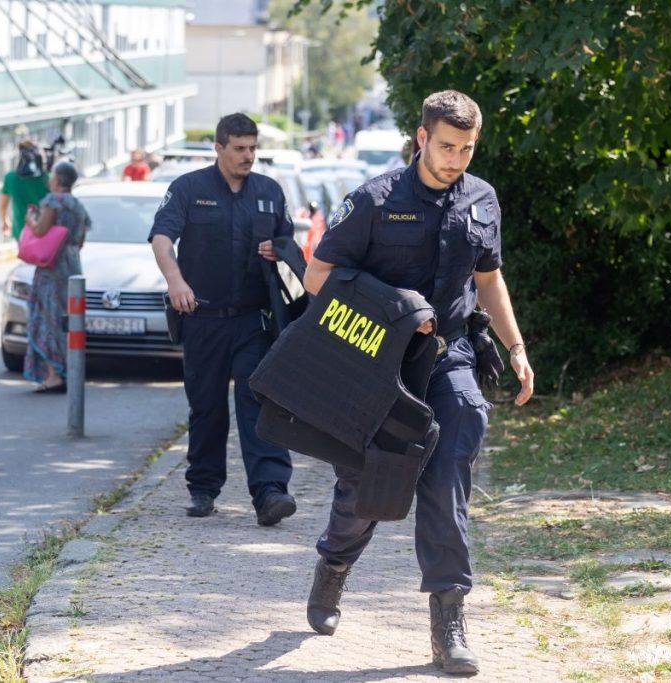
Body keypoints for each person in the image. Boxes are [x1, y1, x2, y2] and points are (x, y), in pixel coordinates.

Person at [301, 90, 535, 675]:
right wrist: (399, 305)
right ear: (421, 138)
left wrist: (516, 346)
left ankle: (449, 621)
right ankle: (334, 565)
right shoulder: (375, 199)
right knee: (366, 486)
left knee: (448, 469)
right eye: (447, 146)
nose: (456, 158)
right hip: (376, 357)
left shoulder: (482, 199)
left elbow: (488, 279)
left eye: (467, 148)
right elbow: (317, 276)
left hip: (450, 354)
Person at [149, 113, 296, 526]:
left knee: (259, 403)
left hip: (253, 320)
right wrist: (175, 282)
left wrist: (279, 249)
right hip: (203, 318)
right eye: (239, 149)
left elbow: (290, 244)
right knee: (207, 407)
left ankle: (270, 492)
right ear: (219, 148)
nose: (248, 156)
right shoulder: (188, 188)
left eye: (253, 148)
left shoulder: (269, 191)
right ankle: (203, 488)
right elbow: (162, 238)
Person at [23, 161, 90, 393]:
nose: (49, 179)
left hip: (51, 265)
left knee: (47, 317)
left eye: (52, 176)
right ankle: (66, 369)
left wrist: (30, 220)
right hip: (71, 264)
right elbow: (80, 241)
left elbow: (40, 230)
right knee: (67, 319)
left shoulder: (53, 201)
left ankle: (54, 373)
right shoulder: (79, 206)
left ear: (58, 180)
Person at [1, 139, 49, 241]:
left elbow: (3, 205)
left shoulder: (10, 178)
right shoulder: (47, 178)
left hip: (21, 230)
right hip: (45, 228)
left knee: (26, 256)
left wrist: (5, 220)